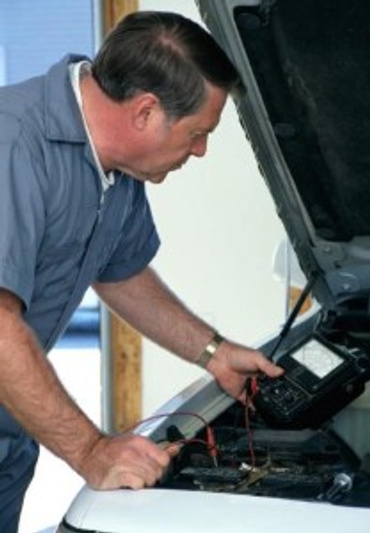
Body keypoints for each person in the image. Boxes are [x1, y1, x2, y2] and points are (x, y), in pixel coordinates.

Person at [0, 10, 282, 532]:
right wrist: (91, 451)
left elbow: (121, 272)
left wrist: (215, 353)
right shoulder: (12, 145)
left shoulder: (118, 172)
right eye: (198, 133)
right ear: (146, 111)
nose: (201, 150)